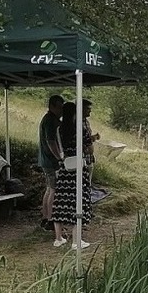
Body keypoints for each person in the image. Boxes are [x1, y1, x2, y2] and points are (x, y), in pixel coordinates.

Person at [50, 101, 92, 249]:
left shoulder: (59, 129)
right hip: (78, 169)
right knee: (78, 202)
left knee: (61, 202)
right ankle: (76, 240)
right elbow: (89, 149)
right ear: (76, 113)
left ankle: (58, 238)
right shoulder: (80, 128)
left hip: (64, 168)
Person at [38, 95, 65, 231]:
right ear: (52, 106)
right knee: (53, 189)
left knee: (49, 189)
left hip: (45, 160)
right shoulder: (50, 121)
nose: (61, 110)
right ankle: (50, 219)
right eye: (60, 107)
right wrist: (59, 157)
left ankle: (45, 217)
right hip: (50, 160)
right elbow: (51, 141)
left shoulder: (49, 119)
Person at [82, 99, 99, 187]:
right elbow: (81, 139)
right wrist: (92, 138)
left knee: (88, 181)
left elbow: (86, 137)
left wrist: (93, 137)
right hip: (83, 156)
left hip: (89, 156)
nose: (90, 110)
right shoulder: (77, 122)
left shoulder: (86, 122)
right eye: (88, 108)